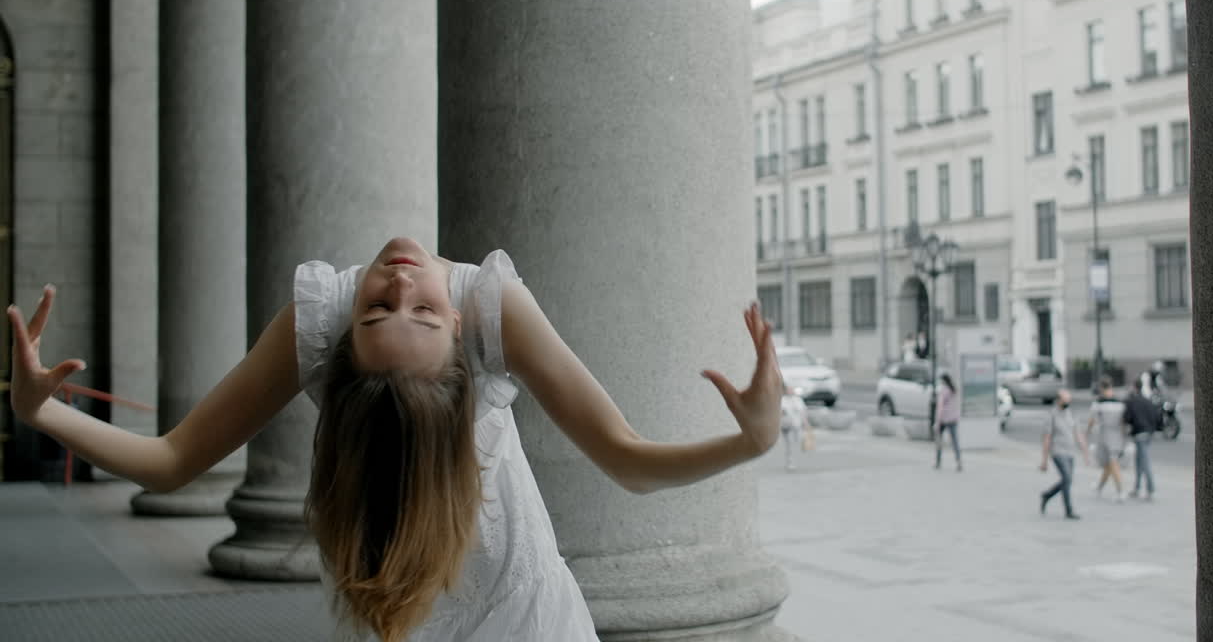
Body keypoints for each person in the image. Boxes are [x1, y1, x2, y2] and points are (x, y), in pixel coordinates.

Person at [7, 238, 785, 642]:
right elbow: (177, 461)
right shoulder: (344, 318)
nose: (402, 286)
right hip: (416, 597)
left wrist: (746, 444)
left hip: (523, 614)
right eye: (393, 311)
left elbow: (622, 459)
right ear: (458, 334)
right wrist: (43, 415)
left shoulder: (466, 309)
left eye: (388, 311)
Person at [1039, 389, 1090, 520]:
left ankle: (1047, 495)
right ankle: (1069, 510)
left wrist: (1085, 452)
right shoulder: (1052, 415)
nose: (1067, 402)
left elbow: (1078, 433)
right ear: (1058, 400)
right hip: (1057, 451)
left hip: (1070, 452)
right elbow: (1047, 437)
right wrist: (1044, 460)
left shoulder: (1071, 414)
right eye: (1065, 400)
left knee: (1068, 481)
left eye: (1069, 400)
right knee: (1067, 479)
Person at [1086, 376, 1126, 503]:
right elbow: (1124, 420)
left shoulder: (1099, 402)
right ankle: (1099, 487)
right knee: (1110, 464)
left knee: (1112, 463)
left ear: (1101, 388)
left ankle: (1120, 491)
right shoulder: (1120, 402)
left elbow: (1092, 420)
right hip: (1117, 434)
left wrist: (1087, 432)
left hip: (1106, 434)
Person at [1123, 377, 1159, 500]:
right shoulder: (1147, 400)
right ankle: (1137, 488)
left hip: (1139, 433)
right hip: (1148, 432)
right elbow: (1155, 415)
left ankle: (1150, 489)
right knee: (1139, 461)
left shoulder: (1131, 401)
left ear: (1134, 387)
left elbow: (1127, 418)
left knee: (1144, 461)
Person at [933, 372, 961, 472]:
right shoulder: (954, 390)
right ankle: (958, 461)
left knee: (939, 440)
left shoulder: (943, 391)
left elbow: (940, 408)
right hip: (953, 419)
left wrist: (937, 421)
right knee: (955, 441)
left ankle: (938, 461)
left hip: (944, 419)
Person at [779, 390, 811, 472]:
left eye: (791, 390)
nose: (790, 392)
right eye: (789, 390)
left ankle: (792, 459)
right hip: (786, 425)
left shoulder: (798, 400)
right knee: (790, 443)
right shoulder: (783, 400)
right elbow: (780, 412)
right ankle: (790, 461)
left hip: (796, 425)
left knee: (796, 441)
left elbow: (803, 412)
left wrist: (806, 423)